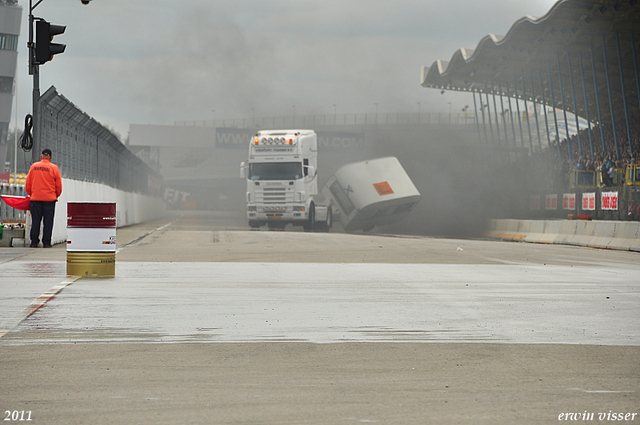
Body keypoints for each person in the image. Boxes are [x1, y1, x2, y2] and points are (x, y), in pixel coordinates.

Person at [25, 148, 62, 248]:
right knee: (48, 221)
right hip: (50, 199)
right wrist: (56, 195)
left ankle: (34, 242)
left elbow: (28, 184)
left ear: (41, 156)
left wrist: (31, 194)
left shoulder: (34, 166)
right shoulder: (54, 168)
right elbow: (58, 186)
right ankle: (46, 242)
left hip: (36, 198)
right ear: (50, 157)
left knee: (36, 220)